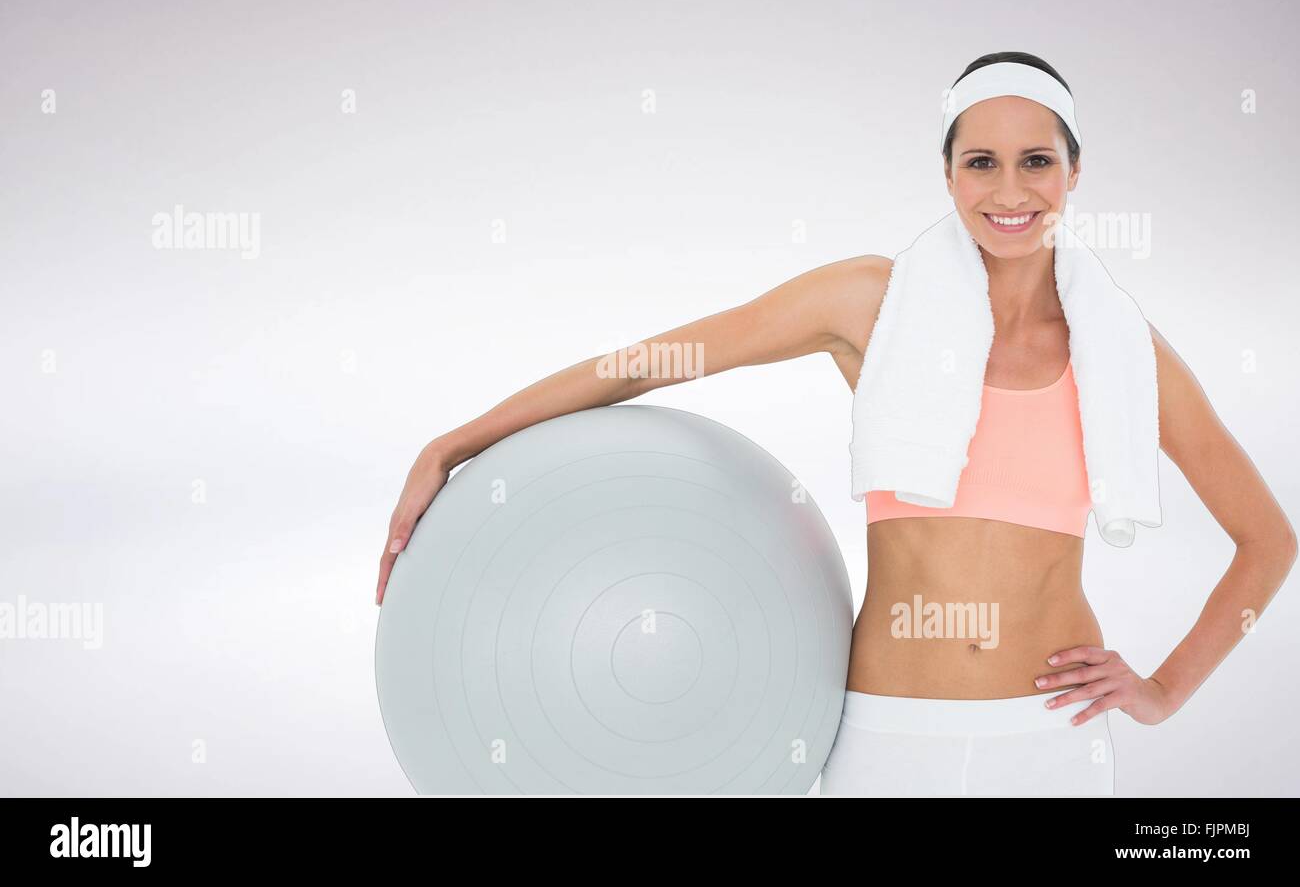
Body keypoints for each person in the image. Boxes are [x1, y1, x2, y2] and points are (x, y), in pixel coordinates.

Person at [375, 50, 1296, 796]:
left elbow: (1268, 542)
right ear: (946, 173)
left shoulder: (1119, 346)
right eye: (981, 161)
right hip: (887, 733)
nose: (1009, 190)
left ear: (1075, 171)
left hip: (1051, 739)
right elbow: (654, 362)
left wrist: (1166, 691)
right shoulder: (872, 303)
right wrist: (454, 442)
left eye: (1037, 160)